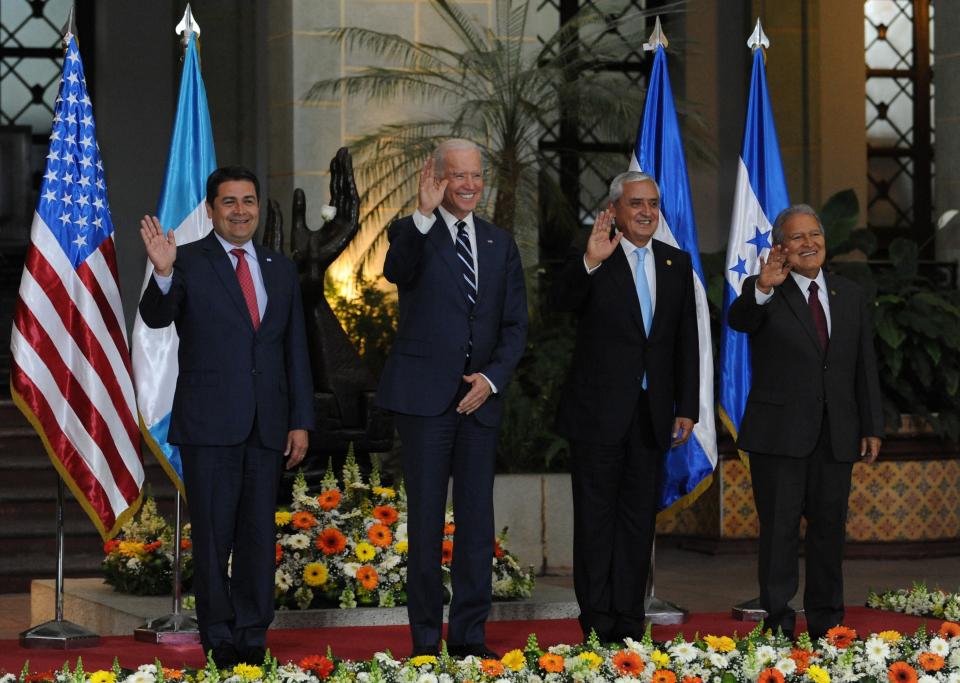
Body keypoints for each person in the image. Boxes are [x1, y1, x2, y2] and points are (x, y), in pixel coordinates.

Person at [138, 166, 314, 667]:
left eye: (249, 201)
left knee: (259, 534)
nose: (241, 211)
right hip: (210, 426)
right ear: (212, 209)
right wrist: (163, 271)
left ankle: (254, 634)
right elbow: (157, 316)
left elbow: (294, 350)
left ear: (259, 207)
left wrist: (300, 419)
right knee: (213, 537)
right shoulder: (186, 260)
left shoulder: (279, 268)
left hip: (267, 425)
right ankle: (219, 634)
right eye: (229, 202)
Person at [376, 139, 528, 657]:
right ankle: (423, 643)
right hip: (424, 404)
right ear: (436, 177)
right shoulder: (410, 231)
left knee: (477, 527)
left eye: (476, 176)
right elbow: (397, 270)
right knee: (424, 524)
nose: (469, 185)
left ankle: (468, 639)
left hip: (479, 402)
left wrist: (490, 380)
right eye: (458, 176)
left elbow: (514, 327)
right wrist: (420, 214)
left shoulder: (499, 243)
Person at [555, 171, 699, 642]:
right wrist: (590, 263)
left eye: (653, 204)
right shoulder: (596, 255)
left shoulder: (677, 263)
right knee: (596, 523)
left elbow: (685, 341)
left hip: (653, 415)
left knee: (638, 523)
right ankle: (596, 622)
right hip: (597, 415)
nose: (646, 212)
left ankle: (629, 622)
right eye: (636, 203)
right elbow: (559, 305)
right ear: (614, 209)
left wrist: (688, 407)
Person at [728, 203, 883, 640]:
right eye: (797, 237)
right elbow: (740, 321)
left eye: (814, 234)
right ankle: (777, 627)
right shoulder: (764, 289)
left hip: (836, 437)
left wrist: (871, 425)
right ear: (781, 247)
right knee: (778, 536)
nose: (809, 243)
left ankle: (828, 626)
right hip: (780, 438)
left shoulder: (848, 294)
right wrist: (762, 286)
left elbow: (862, 367)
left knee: (828, 536)